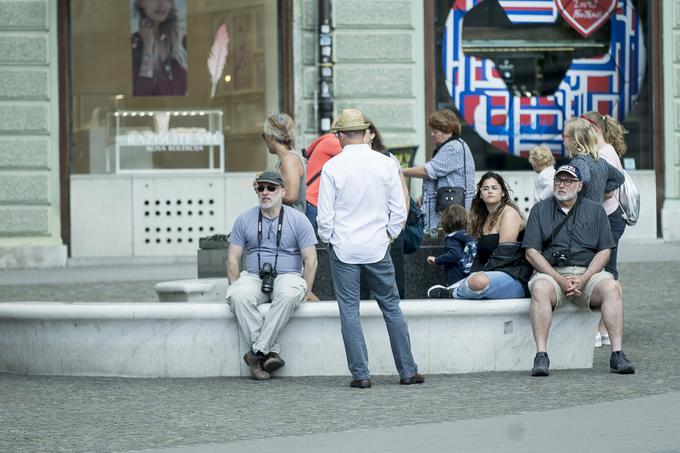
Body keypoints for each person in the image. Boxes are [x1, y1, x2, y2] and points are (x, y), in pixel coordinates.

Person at [317, 108, 423, 388]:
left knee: (349, 311)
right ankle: (408, 370)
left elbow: (324, 216)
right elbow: (400, 207)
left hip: (344, 247)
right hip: (377, 245)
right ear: (365, 133)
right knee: (392, 307)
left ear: (340, 135)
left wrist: (329, 238)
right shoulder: (386, 163)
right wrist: (388, 234)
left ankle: (361, 375)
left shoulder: (332, 167)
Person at [522, 164, 635, 376]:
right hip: (552, 273)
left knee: (612, 287)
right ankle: (541, 356)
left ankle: (617, 354)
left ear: (580, 185)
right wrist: (559, 279)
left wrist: (584, 278)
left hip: (588, 273)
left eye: (568, 181)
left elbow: (604, 251)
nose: (561, 185)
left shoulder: (595, 209)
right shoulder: (540, 209)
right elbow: (531, 252)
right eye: (558, 180)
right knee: (539, 289)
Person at [226, 171, 318, 380]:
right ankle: (269, 351)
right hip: (253, 275)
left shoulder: (298, 220)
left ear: (283, 192)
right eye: (261, 188)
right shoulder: (244, 218)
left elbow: (310, 259)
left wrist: (307, 289)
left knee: (288, 295)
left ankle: (256, 354)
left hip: (288, 274)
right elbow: (232, 258)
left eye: (271, 188)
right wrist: (234, 285)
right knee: (238, 297)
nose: (265, 192)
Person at [426, 172, 533, 299]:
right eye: (485, 188)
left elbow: (505, 254)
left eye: (494, 188)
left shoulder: (508, 213)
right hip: (489, 276)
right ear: (481, 194)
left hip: (514, 277)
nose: (490, 191)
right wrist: (472, 274)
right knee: (474, 280)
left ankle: (453, 293)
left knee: (477, 281)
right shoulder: (483, 218)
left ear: (503, 192)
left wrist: (477, 276)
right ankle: (458, 289)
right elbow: (479, 257)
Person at [582, 111, 629, 347]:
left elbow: (609, 190)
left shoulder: (605, 153)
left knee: (607, 273)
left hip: (609, 218)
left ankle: (604, 328)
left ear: (595, 129)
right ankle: (604, 328)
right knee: (607, 271)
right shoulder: (604, 151)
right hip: (608, 217)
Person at [359, 119, 409, 299]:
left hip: (389, 227)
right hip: (362, 227)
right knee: (361, 281)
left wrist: (398, 226)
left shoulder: (387, 159)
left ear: (372, 134)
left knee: (394, 277)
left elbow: (404, 194)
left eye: (362, 131)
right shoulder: (349, 160)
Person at [403, 110, 475, 233]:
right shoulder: (452, 146)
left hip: (452, 217)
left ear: (449, 131)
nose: (432, 134)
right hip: (451, 213)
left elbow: (429, 171)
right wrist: (424, 195)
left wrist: (400, 170)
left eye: (435, 131)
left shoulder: (453, 147)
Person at [132, 0, 188, 96]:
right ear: (140, 2)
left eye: (168, 0)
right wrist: (147, 48)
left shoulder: (181, 42)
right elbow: (141, 94)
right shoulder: (133, 45)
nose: (163, 5)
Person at [563, 117, 624, 205]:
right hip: (597, 214)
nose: (562, 140)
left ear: (574, 140)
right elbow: (619, 178)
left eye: (564, 136)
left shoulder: (578, 162)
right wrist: (600, 189)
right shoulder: (601, 161)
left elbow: (585, 178)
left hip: (582, 214)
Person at [262, 113, 306, 214]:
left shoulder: (289, 159)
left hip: (291, 224)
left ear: (270, 138)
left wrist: (265, 191)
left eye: (264, 136)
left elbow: (291, 196)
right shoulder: (287, 158)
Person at [426, 204, 474, 286]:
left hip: (456, 276)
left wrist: (437, 260)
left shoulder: (452, 238)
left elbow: (454, 254)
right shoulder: (469, 236)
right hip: (471, 273)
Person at [304, 133, 342, 231]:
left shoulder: (325, 141)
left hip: (312, 201)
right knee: (318, 243)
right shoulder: (331, 142)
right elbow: (355, 155)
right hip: (316, 203)